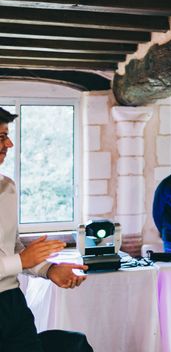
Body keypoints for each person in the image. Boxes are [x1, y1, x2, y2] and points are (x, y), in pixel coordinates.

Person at [0, 107, 88, 352]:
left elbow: (13, 248)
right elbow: (18, 258)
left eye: (7, 135)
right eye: (1, 137)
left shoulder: (8, 187)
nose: (9, 143)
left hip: (12, 304)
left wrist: (49, 270)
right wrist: (20, 261)